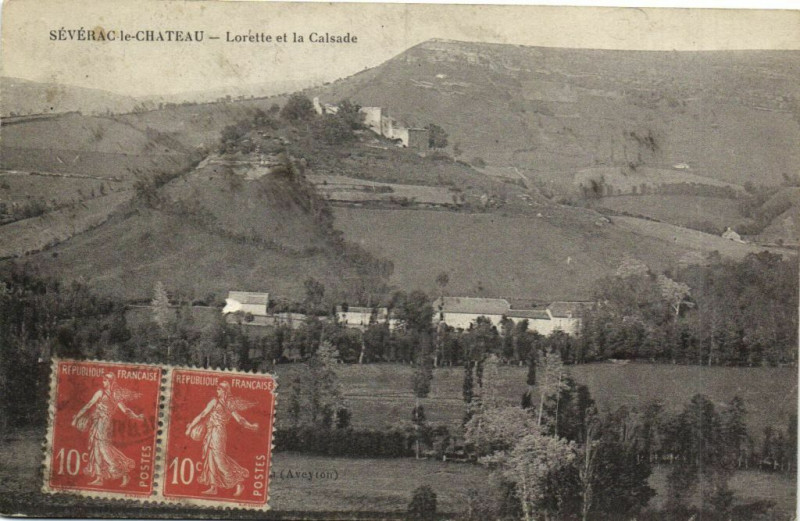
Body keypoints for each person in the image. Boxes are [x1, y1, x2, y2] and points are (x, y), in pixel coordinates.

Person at [185, 381, 258, 496]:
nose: (217, 391)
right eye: (217, 389)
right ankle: (213, 487)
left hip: (219, 432)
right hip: (210, 432)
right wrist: (191, 428)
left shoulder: (229, 404)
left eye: (219, 389)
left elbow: (239, 419)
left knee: (219, 460)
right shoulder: (214, 401)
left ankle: (239, 482)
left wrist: (250, 426)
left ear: (225, 391)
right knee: (210, 458)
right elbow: (203, 414)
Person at [72, 372, 144, 486]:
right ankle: (99, 478)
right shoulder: (104, 393)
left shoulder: (111, 394)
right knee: (95, 449)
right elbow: (89, 405)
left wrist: (136, 416)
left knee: (104, 449)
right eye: (103, 380)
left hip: (104, 424)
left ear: (111, 382)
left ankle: (124, 473)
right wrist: (77, 416)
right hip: (97, 422)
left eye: (105, 380)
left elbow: (125, 410)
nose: (103, 382)